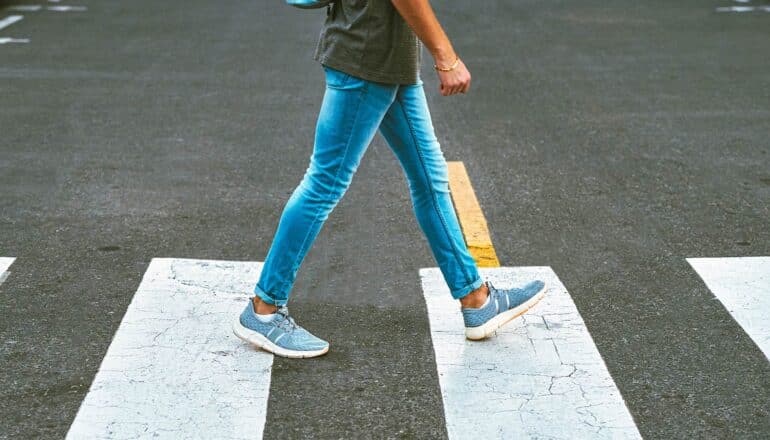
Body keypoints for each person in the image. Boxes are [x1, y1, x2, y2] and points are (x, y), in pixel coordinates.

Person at [232, 0, 546, 358]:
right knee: (323, 185)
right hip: (366, 60)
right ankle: (265, 307)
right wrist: (447, 57)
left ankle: (476, 299)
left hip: (391, 61)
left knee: (430, 179)